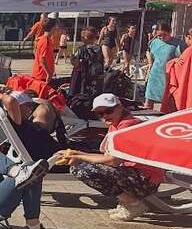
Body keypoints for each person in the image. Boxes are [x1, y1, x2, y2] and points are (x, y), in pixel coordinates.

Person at [59, 93, 165, 221]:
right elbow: (107, 157)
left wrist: (79, 157)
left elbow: (112, 161)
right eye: (100, 114)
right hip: (138, 175)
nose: (105, 116)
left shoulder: (127, 126)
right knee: (81, 166)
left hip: (145, 181)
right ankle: (127, 202)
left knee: (82, 170)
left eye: (108, 111)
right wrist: (76, 153)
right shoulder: (116, 125)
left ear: (119, 107)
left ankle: (133, 205)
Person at [0, 90, 65, 229]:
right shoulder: (16, 122)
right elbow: (10, 102)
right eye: (28, 106)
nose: (31, 110)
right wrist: (0, 96)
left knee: (30, 170)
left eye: (32, 107)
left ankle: (18, 171)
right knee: (33, 171)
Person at [145, 23, 180, 110]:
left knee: (169, 102)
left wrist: (176, 60)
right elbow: (149, 52)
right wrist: (150, 63)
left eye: (164, 35)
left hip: (168, 76)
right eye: (159, 35)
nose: (161, 37)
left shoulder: (178, 44)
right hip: (154, 74)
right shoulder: (154, 42)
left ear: (170, 32)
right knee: (149, 99)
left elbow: (182, 59)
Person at [70, 27, 106, 100]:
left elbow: (76, 64)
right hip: (97, 77)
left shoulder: (81, 50)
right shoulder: (99, 49)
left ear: (85, 38)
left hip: (84, 78)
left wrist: (72, 58)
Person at [31, 17, 57, 82]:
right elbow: (42, 59)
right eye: (56, 27)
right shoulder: (45, 41)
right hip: (42, 75)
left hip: (42, 75)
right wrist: (48, 73)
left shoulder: (45, 39)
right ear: (52, 28)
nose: (57, 29)